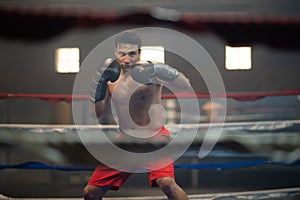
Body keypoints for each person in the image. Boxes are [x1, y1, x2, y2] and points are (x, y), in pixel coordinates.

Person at [84, 30, 191, 200]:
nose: (127, 59)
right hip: (125, 140)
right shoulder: (111, 79)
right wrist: (99, 86)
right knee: (91, 192)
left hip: (155, 138)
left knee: (167, 183)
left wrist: (158, 68)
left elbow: (185, 84)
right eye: (122, 54)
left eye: (132, 54)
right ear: (115, 53)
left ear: (139, 53)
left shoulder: (151, 72)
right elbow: (95, 114)